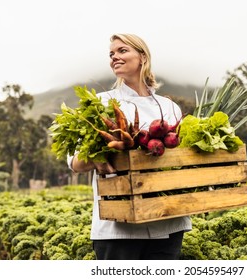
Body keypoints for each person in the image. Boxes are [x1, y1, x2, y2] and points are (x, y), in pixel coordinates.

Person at [67, 33, 192, 260]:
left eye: (122, 51)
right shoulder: (101, 102)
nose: (115, 57)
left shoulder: (169, 107)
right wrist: (97, 156)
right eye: (111, 54)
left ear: (142, 57)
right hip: (118, 228)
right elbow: (75, 162)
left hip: (168, 221)